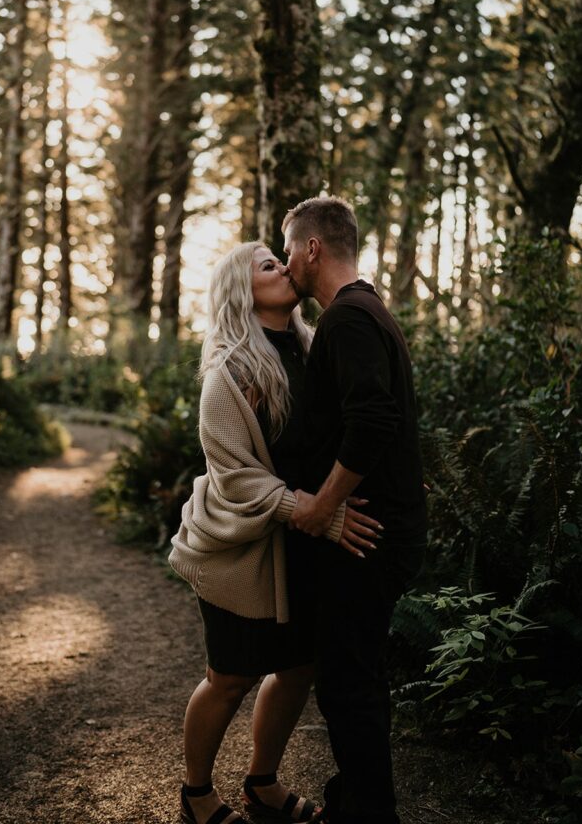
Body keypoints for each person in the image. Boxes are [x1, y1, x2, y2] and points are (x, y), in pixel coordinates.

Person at [169, 241, 381, 824]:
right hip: (239, 547)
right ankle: (195, 795)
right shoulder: (229, 373)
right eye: (268, 264)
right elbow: (236, 479)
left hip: (300, 545)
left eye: (281, 259)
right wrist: (317, 512)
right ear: (242, 289)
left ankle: (261, 784)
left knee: (297, 667)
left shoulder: (316, 349)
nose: (284, 268)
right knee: (231, 676)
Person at [282, 197, 428, 824]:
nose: (286, 261)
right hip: (378, 532)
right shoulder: (366, 313)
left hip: (367, 536)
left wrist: (321, 505)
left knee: (346, 684)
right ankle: (357, 801)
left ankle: (370, 813)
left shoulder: (349, 319)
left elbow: (372, 421)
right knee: (356, 677)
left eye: (288, 247)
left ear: (312, 248)